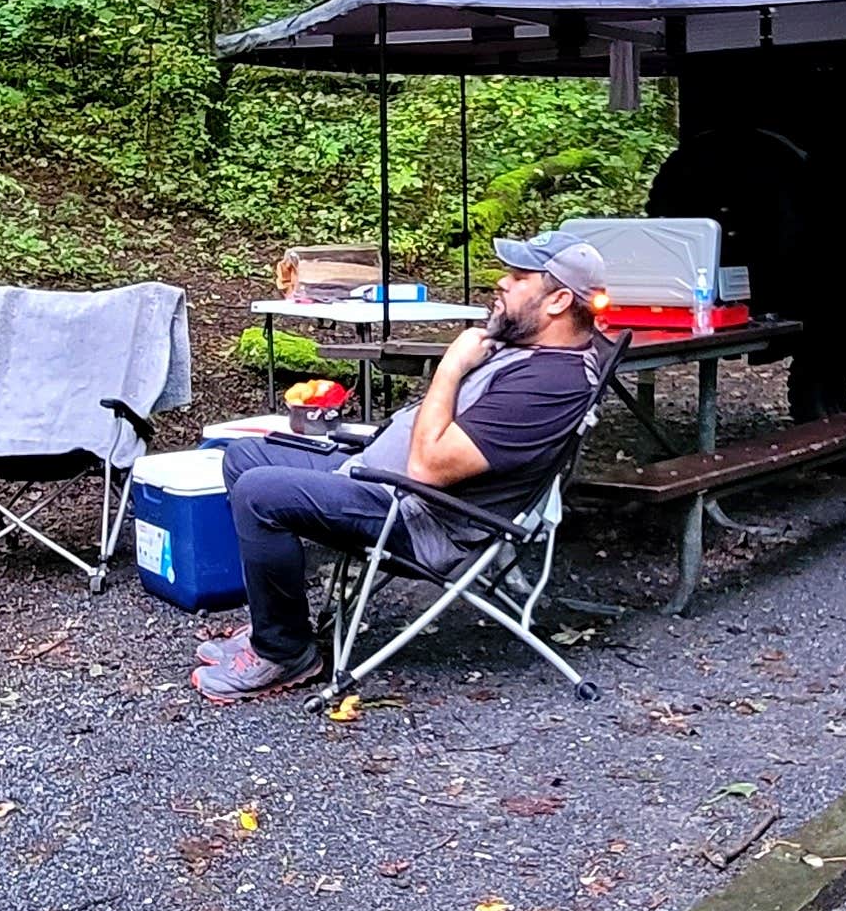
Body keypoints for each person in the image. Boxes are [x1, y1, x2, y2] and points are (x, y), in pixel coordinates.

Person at [190, 233, 612, 702]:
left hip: (421, 517)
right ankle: (281, 626)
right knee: (244, 455)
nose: (501, 283)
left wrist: (451, 366)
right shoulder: (529, 345)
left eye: (518, 277)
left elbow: (429, 468)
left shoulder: (548, 385)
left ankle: (283, 653)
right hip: (380, 479)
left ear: (558, 301)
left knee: (259, 493)